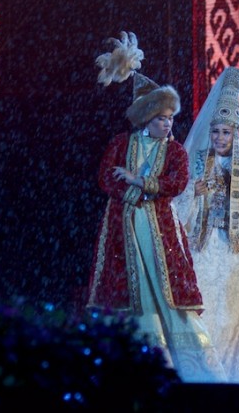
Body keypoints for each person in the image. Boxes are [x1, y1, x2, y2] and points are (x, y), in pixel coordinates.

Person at [85, 31, 226, 383]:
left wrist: (140, 181)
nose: (168, 123)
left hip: (160, 230)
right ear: (145, 118)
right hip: (124, 228)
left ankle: (191, 368)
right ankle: (136, 364)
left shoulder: (174, 151)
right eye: (161, 118)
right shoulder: (121, 144)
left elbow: (177, 183)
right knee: (131, 295)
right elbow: (105, 177)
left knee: (168, 293)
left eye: (170, 118)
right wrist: (132, 190)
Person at [173, 66, 239, 384]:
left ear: (235, 134)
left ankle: (236, 377)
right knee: (204, 310)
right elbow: (179, 207)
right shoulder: (197, 164)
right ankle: (205, 373)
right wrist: (194, 193)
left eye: (226, 132)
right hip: (203, 246)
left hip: (237, 250)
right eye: (216, 132)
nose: (220, 138)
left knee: (236, 314)